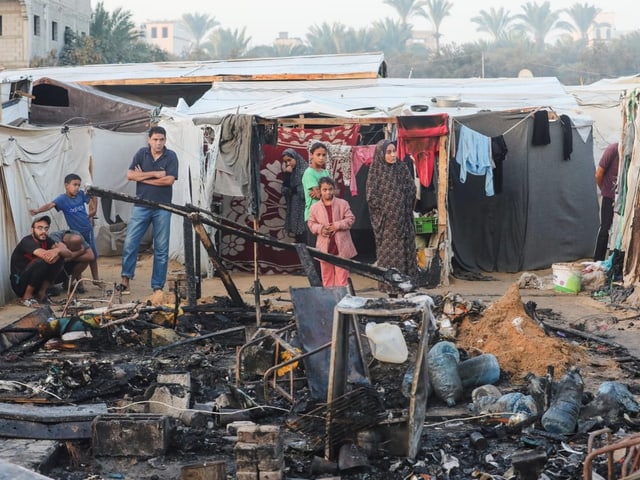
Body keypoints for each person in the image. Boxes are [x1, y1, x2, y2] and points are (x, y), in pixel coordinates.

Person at [120, 126, 179, 294]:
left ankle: (157, 286)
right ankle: (125, 279)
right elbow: (130, 175)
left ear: (165, 140)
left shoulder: (171, 156)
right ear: (149, 140)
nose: (158, 143)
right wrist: (155, 174)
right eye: (155, 139)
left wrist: (144, 177)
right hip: (141, 205)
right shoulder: (141, 153)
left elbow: (168, 181)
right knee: (130, 242)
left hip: (163, 207)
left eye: (161, 140)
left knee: (161, 248)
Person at [366, 139, 418, 297]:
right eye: (388, 152)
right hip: (387, 226)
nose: (393, 155)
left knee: (407, 256)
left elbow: (411, 188)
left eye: (394, 151)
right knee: (390, 260)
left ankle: (407, 290)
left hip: (404, 223)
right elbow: (371, 198)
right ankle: (391, 292)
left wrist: (403, 208)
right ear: (381, 154)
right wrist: (386, 213)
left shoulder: (401, 168)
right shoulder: (376, 172)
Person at [29, 173, 100, 284]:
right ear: (66, 185)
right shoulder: (62, 199)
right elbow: (50, 205)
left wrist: (94, 210)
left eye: (79, 185)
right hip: (76, 234)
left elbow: (93, 195)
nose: (77, 187)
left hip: (88, 230)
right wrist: (38, 210)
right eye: (74, 184)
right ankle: (78, 282)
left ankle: (96, 279)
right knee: (80, 256)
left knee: (93, 256)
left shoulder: (81, 195)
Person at [308, 176, 357, 287]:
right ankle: (329, 300)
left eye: (330, 189)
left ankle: (343, 300)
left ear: (334, 189)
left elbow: (351, 219)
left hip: (341, 247)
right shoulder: (314, 208)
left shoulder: (343, 204)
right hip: (324, 248)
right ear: (320, 191)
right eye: (325, 190)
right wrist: (321, 229)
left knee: (342, 278)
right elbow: (311, 223)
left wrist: (337, 225)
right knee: (327, 277)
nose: (328, 192)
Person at [9, 215, 64, 307]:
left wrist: (57, 250)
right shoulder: (26, 241)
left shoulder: (47, 240)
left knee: (60, 258)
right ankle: (26, 297)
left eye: (46, 229)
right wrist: (57, 250)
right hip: (20, 284)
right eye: (40, 228)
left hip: (35, 281)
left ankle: (41, 294)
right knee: (41, 261)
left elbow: (68, 253)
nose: (43, 232)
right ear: (32, 230)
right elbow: (46, 257)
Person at [594, 142, 620, 261]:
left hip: (622, 198)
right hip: (609, 196)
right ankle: (598, 261)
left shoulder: (633, 153)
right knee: (605, 229)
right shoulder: (613, 149)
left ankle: (614, 262)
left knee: (619, 232)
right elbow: (598, 174)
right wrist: (605, 190)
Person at [301, 142, 330, 246]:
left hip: (326, 214)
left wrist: (321, 193)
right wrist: (324, 193)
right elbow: (321, 195)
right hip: (313, 215)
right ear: (311, 155)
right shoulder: (309, 173)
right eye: (318, 155)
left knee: (325, 246)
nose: (321, 158)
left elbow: (333, 192)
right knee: (315, 248)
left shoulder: (325, 172)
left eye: (324, 155)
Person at [281, 148, 308, 243]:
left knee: (305, 236)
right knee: (299, 239)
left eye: (289, 160)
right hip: (295, 208)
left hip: (305, 209)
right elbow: (284, 191)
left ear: (296, 158)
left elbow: (308, 191)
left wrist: (294, 189)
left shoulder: (306, 171)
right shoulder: (291, 172)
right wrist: (287, 175)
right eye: (285, 162)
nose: (288, 164)